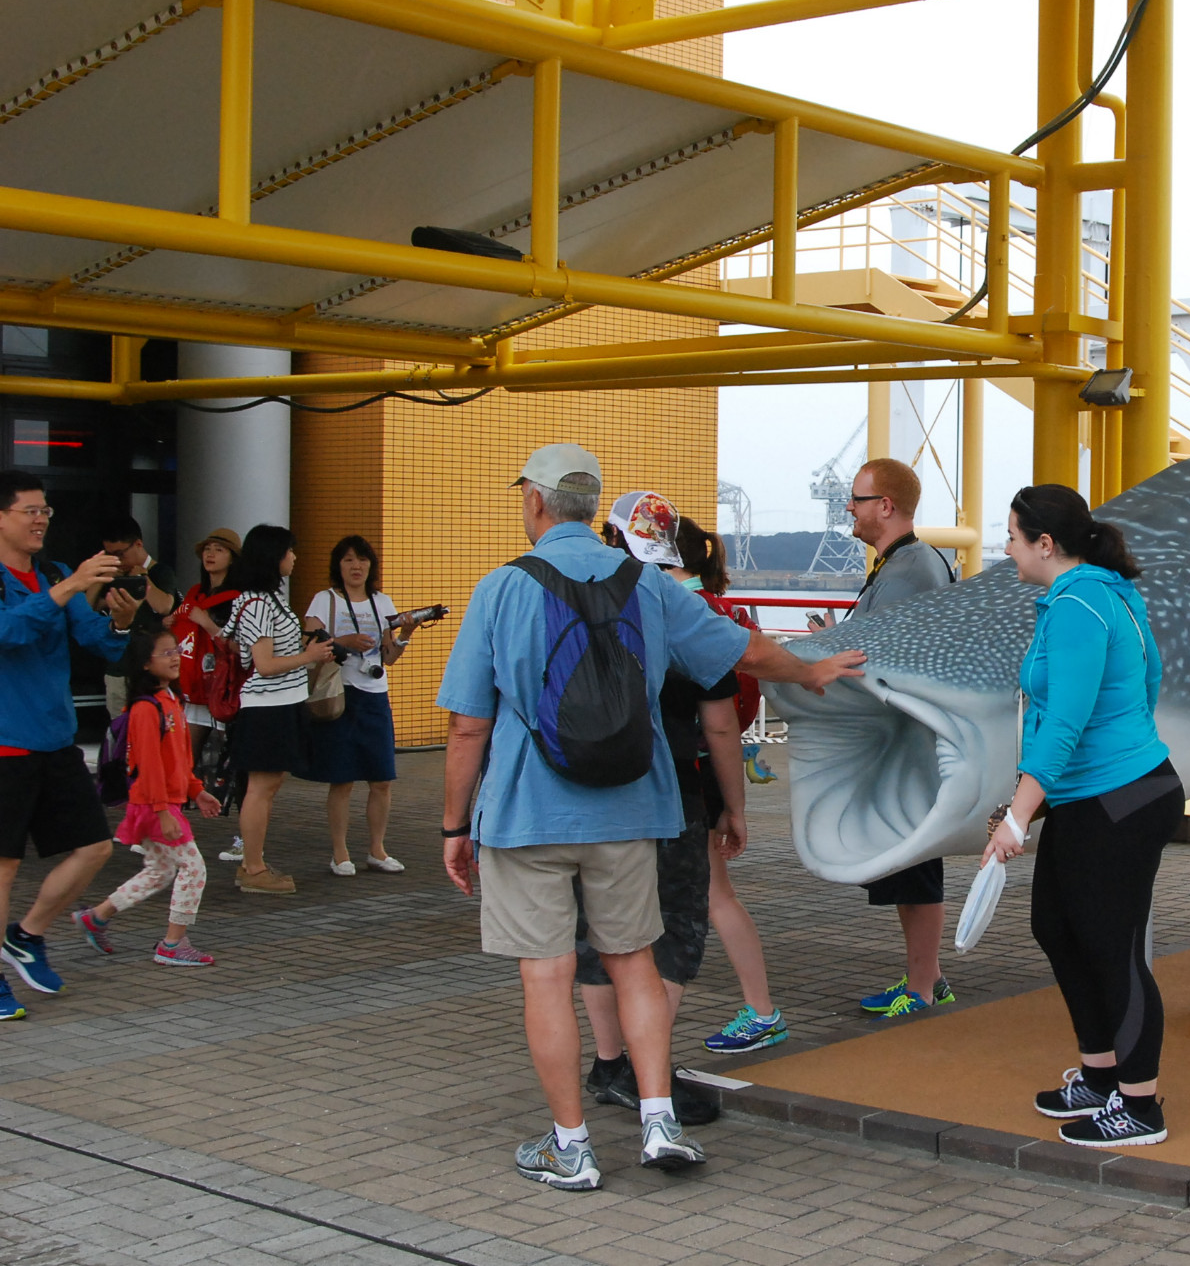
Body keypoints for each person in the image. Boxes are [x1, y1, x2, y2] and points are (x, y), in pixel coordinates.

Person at [437, 444, 865, 1193]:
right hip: (633, 806)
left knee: (548, 975)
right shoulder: (650, 585)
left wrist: (451, 826)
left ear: (536, 503)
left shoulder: (501, 588)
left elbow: (468, 726)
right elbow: (742, 651)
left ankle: (570, 1146)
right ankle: (659, 1118)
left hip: (526, 813)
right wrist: (813, 667)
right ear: (592, 506)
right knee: (636, 959)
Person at [982, 483, 1182, 1149]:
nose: (1004, 546)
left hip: (1122, 796)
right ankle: (1099, 1075)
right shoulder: (1094, 594)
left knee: (1109, 944)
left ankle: (1141, 1105)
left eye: (1011, 535)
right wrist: (1028, 806)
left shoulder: (1081, 605)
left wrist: (1017, 818)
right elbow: (1144, 684)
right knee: (1057, 926)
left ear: (1045, 543)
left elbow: (1063, 722)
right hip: (1094, 795)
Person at [573, 493, 728, 1123]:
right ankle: (647, 1074)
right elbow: (717, 724)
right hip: (669, 793)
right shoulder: (682, 606)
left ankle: (610, 1062)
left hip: (590, 791)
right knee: (673, 932)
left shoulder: (576, 599)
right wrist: (734, 807)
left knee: (600, 931)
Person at [0, 469, 138, 1019]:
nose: (41, 520)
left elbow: (97, 642)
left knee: (96, 847)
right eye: (30, 511)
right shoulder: (54, 580)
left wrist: (122, 624)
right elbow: (9, 632)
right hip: (6, 744)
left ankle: (27, 935)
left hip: (56, 741)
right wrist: (66, 589)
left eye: (46, 512)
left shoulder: (55, 573)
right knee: (4, 865)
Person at [836, 458, 959, 1020]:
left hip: (911, 747)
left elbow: (876, 650)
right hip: (912, 743)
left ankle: (923, 987)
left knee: (915, 866)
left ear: (885, 506)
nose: (850, 510)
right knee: (911, 863)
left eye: (857, 500)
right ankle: (927, 976)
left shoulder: (909, 568)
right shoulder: (909, 563)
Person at [668, 514, 786, 1056]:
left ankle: (761, 1012)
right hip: (709, 768)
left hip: (681, 771)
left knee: (689, 904)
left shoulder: (675, 610)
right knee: (714, 897)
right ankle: (761, 1010)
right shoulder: (720, 608)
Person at [72, 628, 222, 967]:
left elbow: (180, 758)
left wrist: (196, 790)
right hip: (155, 805)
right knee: (193, 868)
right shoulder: (146, 708)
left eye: (175, 651)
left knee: (160, 870)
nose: (174, 657)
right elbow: (150, 766)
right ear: (144, 664)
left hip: (160, 804)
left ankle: (96, 917)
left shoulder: (171, 700)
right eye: (165, 652)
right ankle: (173, 944)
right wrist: (164, 811)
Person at [223, 524, 336, 895]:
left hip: (281, 704)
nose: (294, 558)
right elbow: (265, 664)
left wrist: (304, 643)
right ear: (273, 557)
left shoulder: (266, 600)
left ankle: (254, 862)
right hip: (266, 707)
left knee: (267, 787)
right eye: (289, 551)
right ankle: (252, 868)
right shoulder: (257, 602)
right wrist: (310, 654)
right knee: (260, 787)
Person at [305, 535, 423, 876]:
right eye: (348, 560)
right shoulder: (324, 600)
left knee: (382, 777)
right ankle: (340, 852)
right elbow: (308, 643)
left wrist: (406, 634)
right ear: (337, 565)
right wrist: (344, 641)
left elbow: (388, 657)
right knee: (341, 779)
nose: (356, 566)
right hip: (339, 693)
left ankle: (377, 849)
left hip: (375, 694)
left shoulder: (382, 602)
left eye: (362, 560)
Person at [95, 515, 178, 714]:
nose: (117, 559)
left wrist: (142, 578)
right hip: (117, 665)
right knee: (120, 727)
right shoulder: (112, 572)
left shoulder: (160, 572)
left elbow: (165, 606)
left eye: (121, 554)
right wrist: (100, 575)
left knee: (150, 721)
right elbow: (89, 608)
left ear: (138, 544)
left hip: (149, 666)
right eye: (110, 553)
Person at [170, 527, 240, 762]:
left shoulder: (238, 597)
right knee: (185, 758)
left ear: (232, 558)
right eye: (207, 550)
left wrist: (207, 623)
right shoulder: (195, 592)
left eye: (219, 550)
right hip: (194, 686)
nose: (210, 555)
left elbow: (240, 645)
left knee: (225, 763)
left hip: (224, 687)